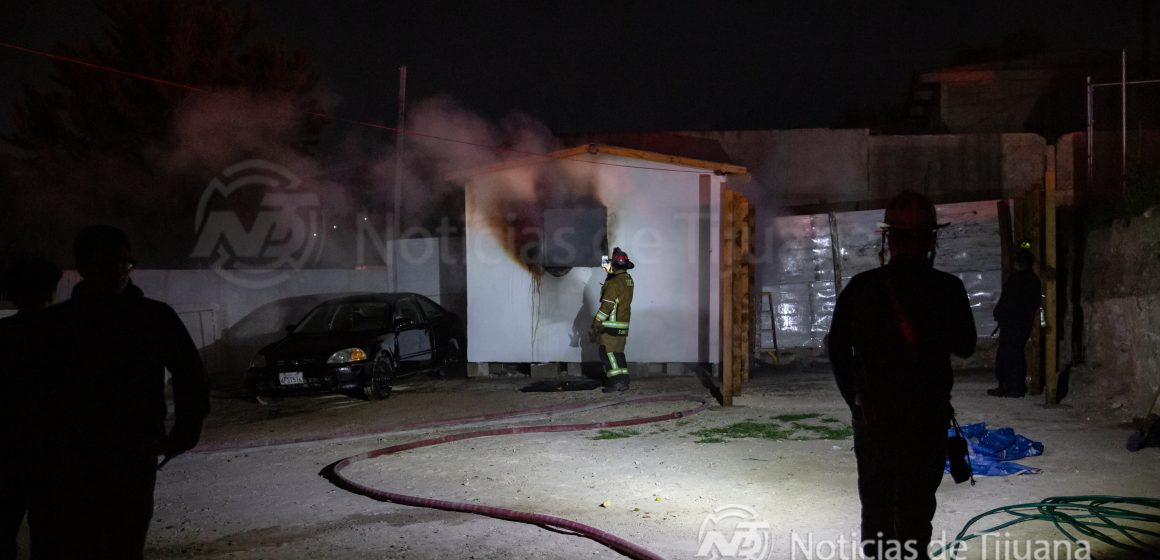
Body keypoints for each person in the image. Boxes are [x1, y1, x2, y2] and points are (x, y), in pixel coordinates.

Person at [30, 225, 209, 559]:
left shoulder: (154, 317)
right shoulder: (57, 324)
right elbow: (34, 391)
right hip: (69, 457)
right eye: (107, 263)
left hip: (132, 452)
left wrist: (186, 430)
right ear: (82, 267)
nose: (119, 272)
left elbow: (191, 374)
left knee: (123, 544)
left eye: (125, 263)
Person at [828, 191, 977, 560]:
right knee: (914, 508)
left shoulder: (861, 289)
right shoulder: (948, 288)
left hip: (874, 420)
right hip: (925, 421)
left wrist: (856, 403)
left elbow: (836, 349)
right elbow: (967, 346)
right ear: (931, 240)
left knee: (876, 507)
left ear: (888, 239)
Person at [0, 256, 61, 560]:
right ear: (51, 291)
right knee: (51, 535)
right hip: (55, 452)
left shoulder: (4, 335)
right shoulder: (68, 334)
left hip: (7, 452)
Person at [989, 246, 1041, 398]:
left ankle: (1009, 387)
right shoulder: (1033, 280)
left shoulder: (1016, 280)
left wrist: (999, 314)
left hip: (1012, 323)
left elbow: (1006, 301)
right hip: (1022, 322)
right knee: (1015, 354)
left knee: (1007, 355)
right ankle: (1014, 387)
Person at [590, 247, 634, 393]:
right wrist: (609, 264)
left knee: (608, 354)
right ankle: (623, 380)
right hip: (623, 324)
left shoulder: (613, 283)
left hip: (610, 326)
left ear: (614, 265)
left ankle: (616, 382)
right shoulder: (627, 280)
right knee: (618, 354)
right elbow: (612, 274)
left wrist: (596, 322)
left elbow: (607, 306)